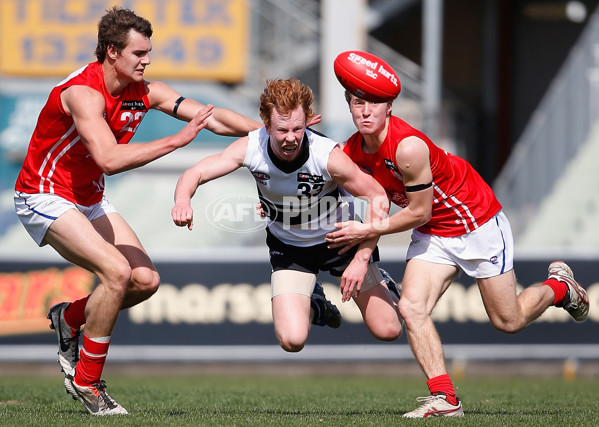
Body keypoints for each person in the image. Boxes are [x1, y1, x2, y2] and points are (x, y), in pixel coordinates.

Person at [13, 6, 263, 416]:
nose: (147, 60)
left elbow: (212, 119)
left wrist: (275, 132)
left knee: (145, 281)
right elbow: (110, 158)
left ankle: (70, 317)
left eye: (149, 52)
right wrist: (176, 141)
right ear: (112, 52)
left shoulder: (145, 91)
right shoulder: (83, 92)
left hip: (87, 198)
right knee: (117, 273)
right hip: (44, 195)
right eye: (139, 53)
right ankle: (87, 383)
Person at [325, 74, 590, 418]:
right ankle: (446, 400)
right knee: (411, 308)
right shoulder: (352, 150)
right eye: (357, 103)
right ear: (348, 106)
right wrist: (273, 203)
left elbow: (417, 211)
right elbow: (319, 180)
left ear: (389, 106)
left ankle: (559, 287)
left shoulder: (407, 147)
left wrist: (366, 233)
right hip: (433, 232)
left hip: (475, 222)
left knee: (507, 321)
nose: (365, 111)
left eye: (373, 103)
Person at [172, 78, 404, 356]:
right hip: (290, 249)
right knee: (292, 341)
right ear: (266, 125)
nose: (291, 138)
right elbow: (194, 173)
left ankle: (385, 282)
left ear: (307, 122)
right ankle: (315, 302)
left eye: (298, 128)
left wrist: (361, 258)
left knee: (388, 330)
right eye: (282, 130)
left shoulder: (326, 155)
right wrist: (182, 200)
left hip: (342, 242)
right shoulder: (251, 147)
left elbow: (378, 196)